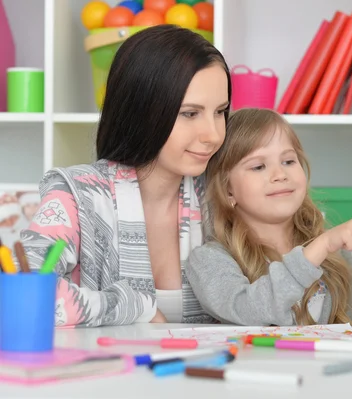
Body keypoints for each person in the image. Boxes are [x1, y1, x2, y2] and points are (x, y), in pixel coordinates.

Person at [20, 25, 231, 327]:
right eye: (189, 113)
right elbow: (24, 294)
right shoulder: (77, 195)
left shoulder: (223, 197)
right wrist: (133, 307)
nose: (212, 134)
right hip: (104, 374)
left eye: (220, 111)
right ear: (141, 109)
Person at [185, 108, 352, 327]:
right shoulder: (209, 261)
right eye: (259, 166)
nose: (280, 175)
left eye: (289, 161)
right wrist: (322, 246)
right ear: (228, 189)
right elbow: (249, 311)